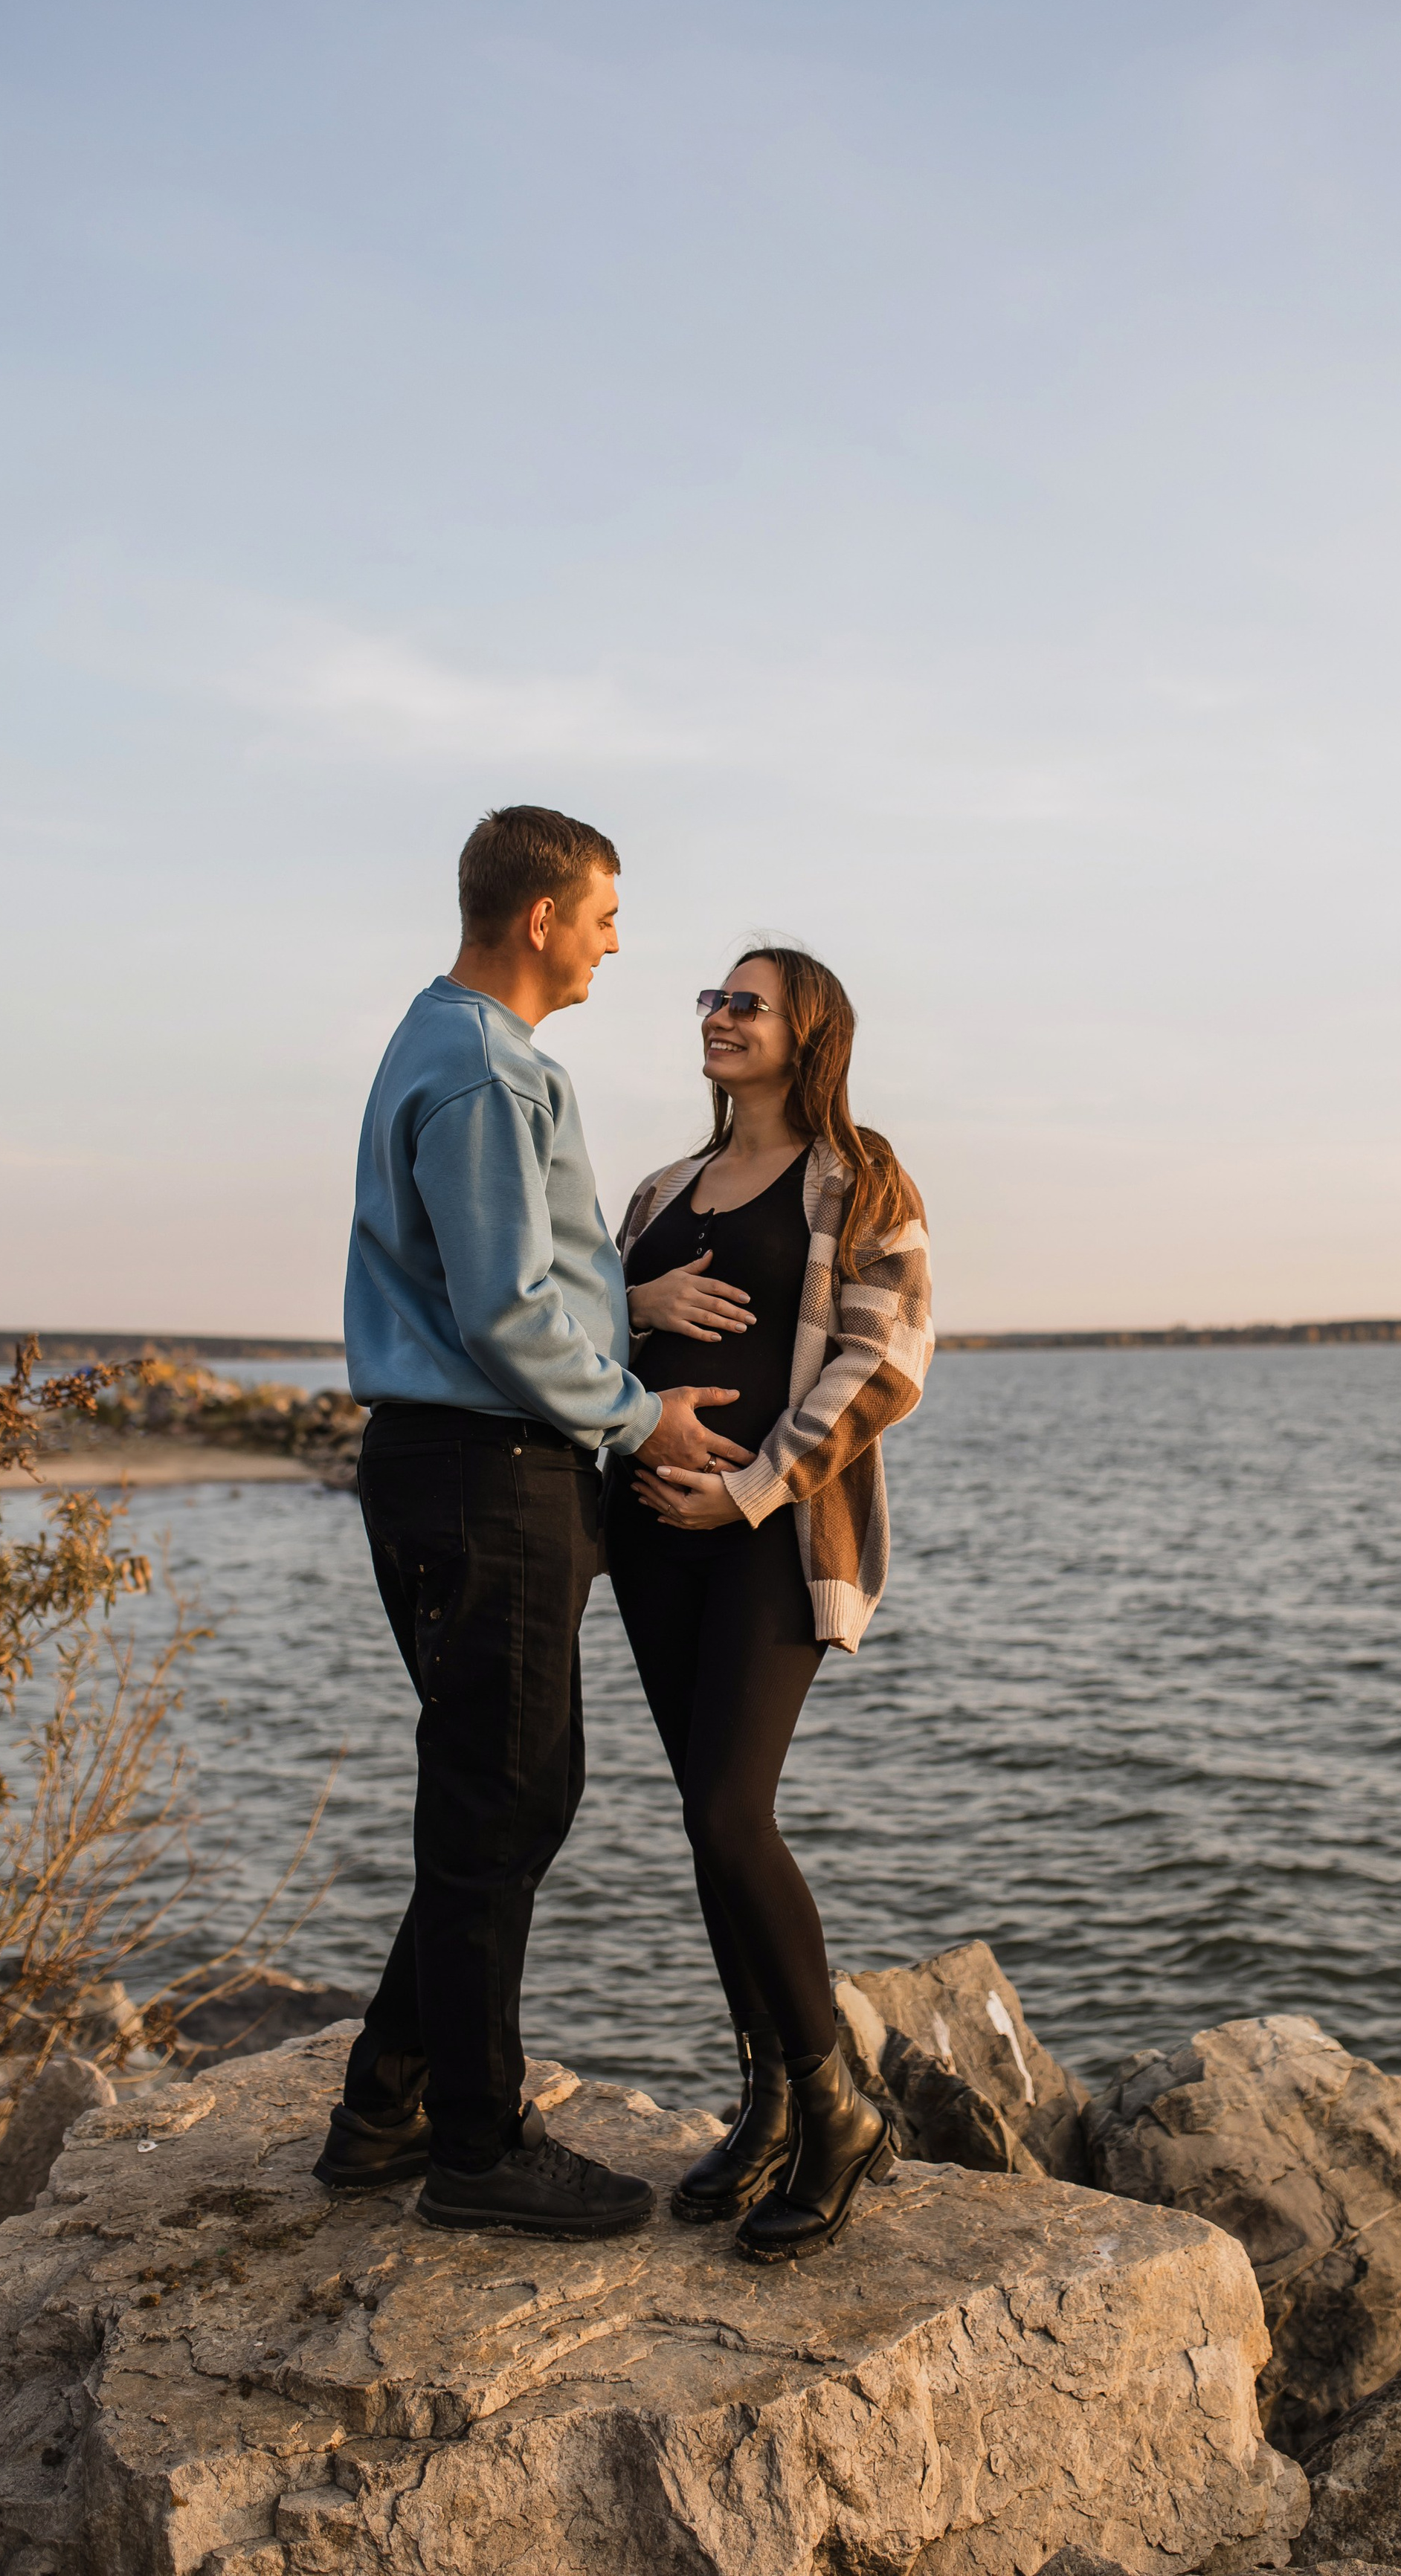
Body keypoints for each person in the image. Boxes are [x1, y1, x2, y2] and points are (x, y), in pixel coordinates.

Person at [316, 806, 754, 2238]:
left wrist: (622, 1302)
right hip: (489, 1470)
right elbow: (504, 1312)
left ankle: (386, 2106)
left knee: (513, 1789)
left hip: (457, 1463)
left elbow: (490, 1275)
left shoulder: (440, 1041)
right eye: (607, 916)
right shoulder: (489, 1070)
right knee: (500, 1796)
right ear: (543, 917)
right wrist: (640, 1413)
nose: (618, 944)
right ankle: (478, 2148)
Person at [605, 944, 934, 2262]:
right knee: (705, 1825)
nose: (721, 1017)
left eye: (749, 1004)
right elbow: (577, 1339)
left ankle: (838, 2110)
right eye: (714, 1000)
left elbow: (886, 1363)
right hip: (651, 1537)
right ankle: (769, 2105)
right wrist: (635, 1297)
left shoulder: (862, 1182)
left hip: (770, 1540)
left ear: (810, 1034)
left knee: (730, 1813)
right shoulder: (657, 1193)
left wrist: (746, 1489)